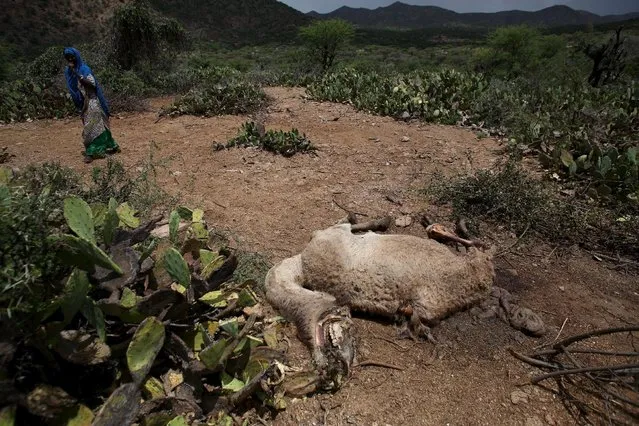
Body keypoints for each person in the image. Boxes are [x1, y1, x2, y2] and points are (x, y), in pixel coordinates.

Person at [63, 47, 120, 163]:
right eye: (67, 57)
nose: (70, 59)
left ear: (76, 57)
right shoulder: (69, 72)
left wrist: (80, 77)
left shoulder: (84, 69)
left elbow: (92, 85)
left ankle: (92, 151)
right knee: (98, 125)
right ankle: (111, 145)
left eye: (72, 57)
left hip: (92, 101)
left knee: (91, 127)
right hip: (83, 103)